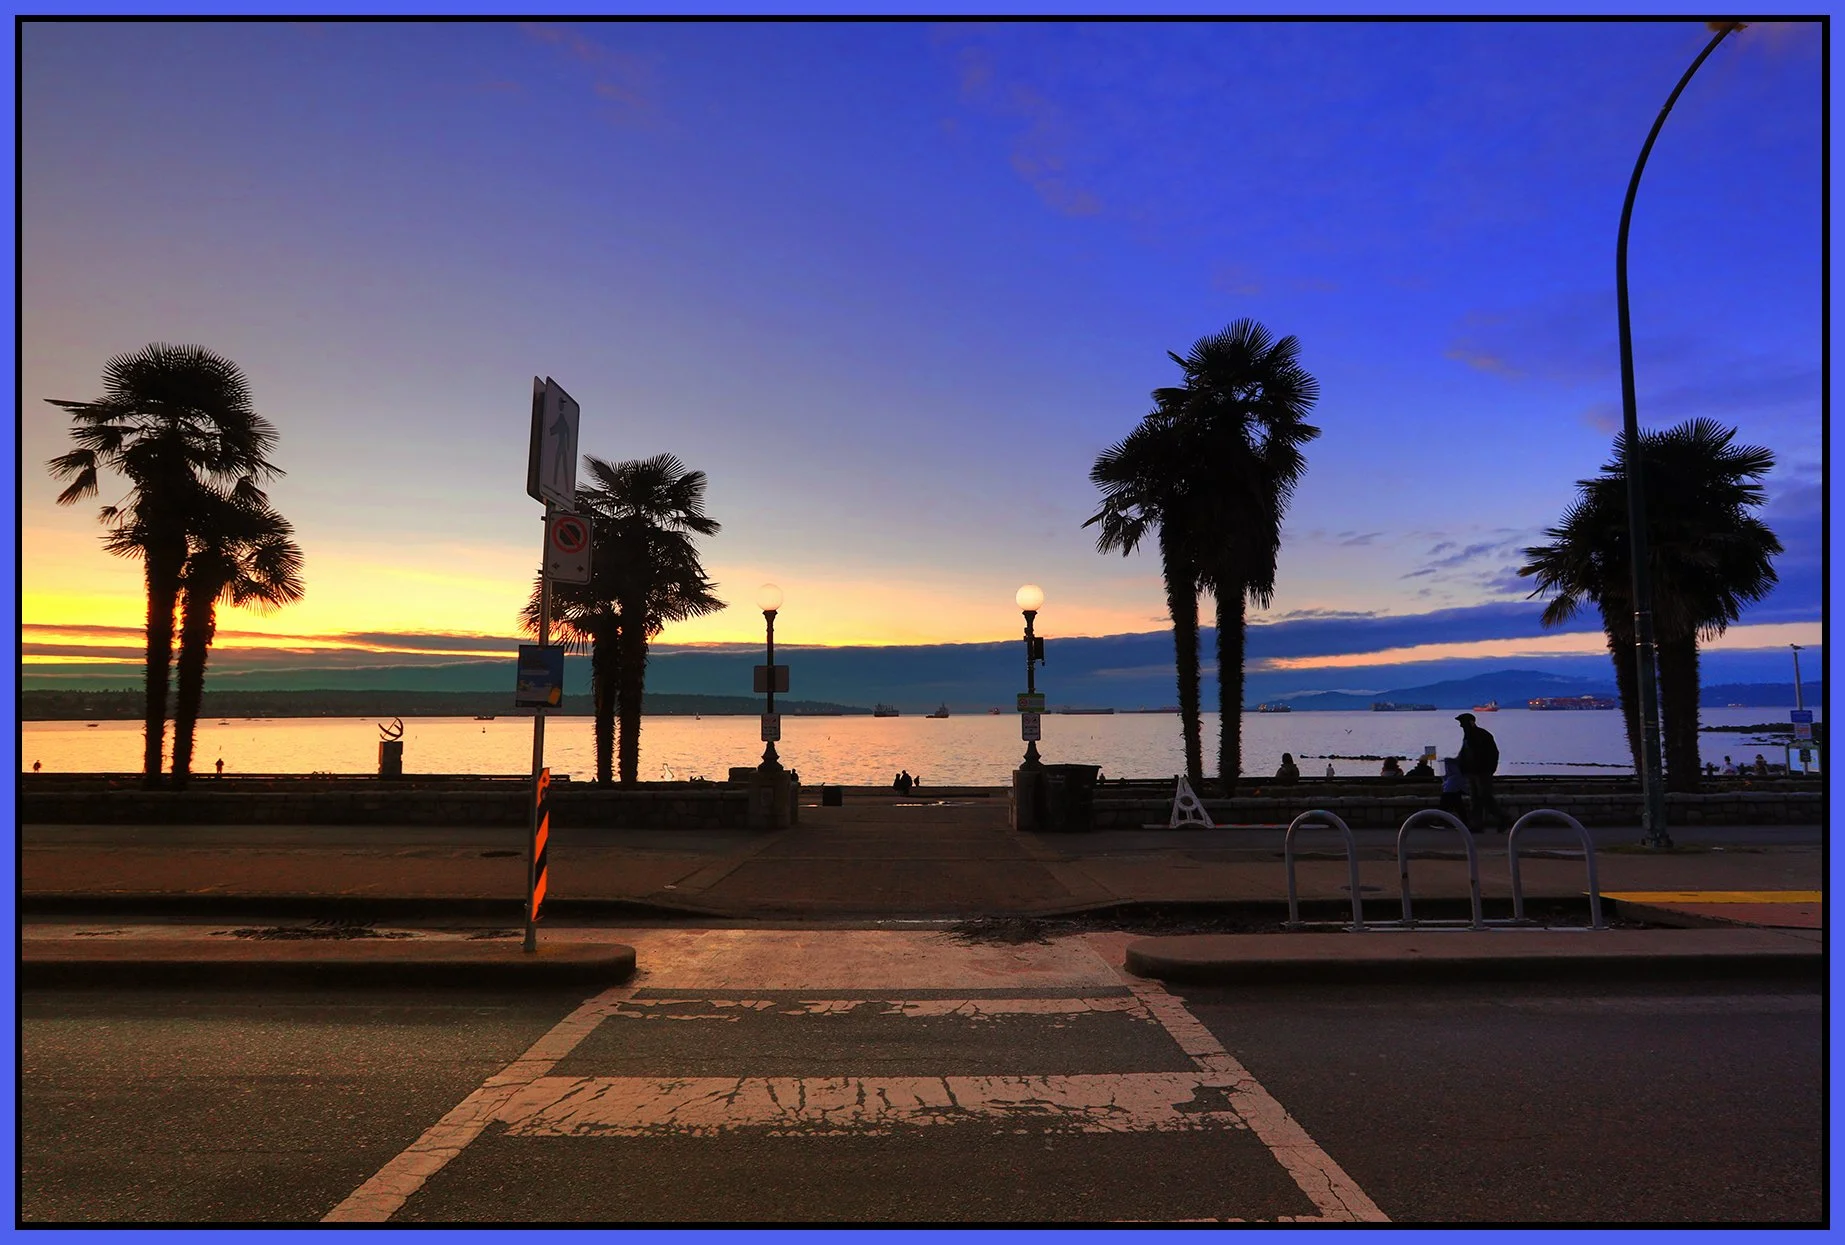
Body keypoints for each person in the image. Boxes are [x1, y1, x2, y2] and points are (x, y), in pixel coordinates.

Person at [1455, 712, 1507, 833]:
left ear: (1470, 723)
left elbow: (1493, 753)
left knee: (1484, 797)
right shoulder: (1469, 736)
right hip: (1473, 772)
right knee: (1476, 799)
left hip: (1482, 772)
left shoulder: (1481, 735)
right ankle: (1477, 825)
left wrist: (1489, 769)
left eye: (1462, 723)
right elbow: (1466, 754)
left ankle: (1502, 818)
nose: (1461, 726)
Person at [1439, 755, 1469, 825]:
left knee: (1445, 803)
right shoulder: (1455, 761)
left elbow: (1446, 775)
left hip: (1451, 786)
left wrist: (1444, 783)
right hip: (1455, 785)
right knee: (1458, 804)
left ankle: (1439, 820)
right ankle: (1465, 822)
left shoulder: (1447, 762)